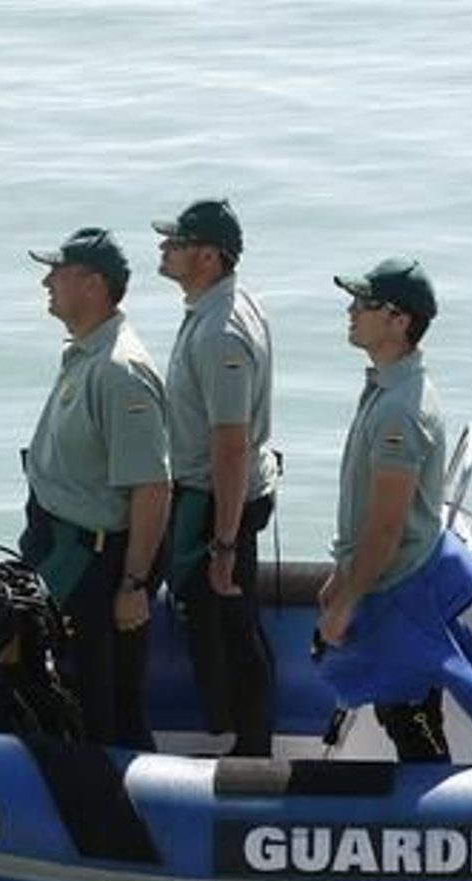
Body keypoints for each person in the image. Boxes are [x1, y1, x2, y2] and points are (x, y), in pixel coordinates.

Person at [315, 258, 472, 763]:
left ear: (399, 320)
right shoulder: (389, 389)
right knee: (404, 710)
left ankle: (438, 799)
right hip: (391, 578)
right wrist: (341, 574)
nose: (351, 311)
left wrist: (347, 601)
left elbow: (387, 526)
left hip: (397, 589)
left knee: (408, 714)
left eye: (364, 303)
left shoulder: (400, 409)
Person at [20, 227, 171, 749]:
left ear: (93, 285)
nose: (46, 282)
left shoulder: (121, 372)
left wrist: (132, 585)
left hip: (94, 564)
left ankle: (113, 794)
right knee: (70, 695)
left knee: (100, 705)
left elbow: (152, 487)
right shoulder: (86, 353)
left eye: (57, 273)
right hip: (60, 548)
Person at [152, 199, 279, 756]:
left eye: (176, 242)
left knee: (231, 624)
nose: (164, 249)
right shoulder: (219, 308)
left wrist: (223, 543)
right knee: (226, 621)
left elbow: (230, 445)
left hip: (219, 501)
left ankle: (251, 748)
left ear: (207, 256)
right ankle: (241, 735)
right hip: (214, 495)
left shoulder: (221, 333)